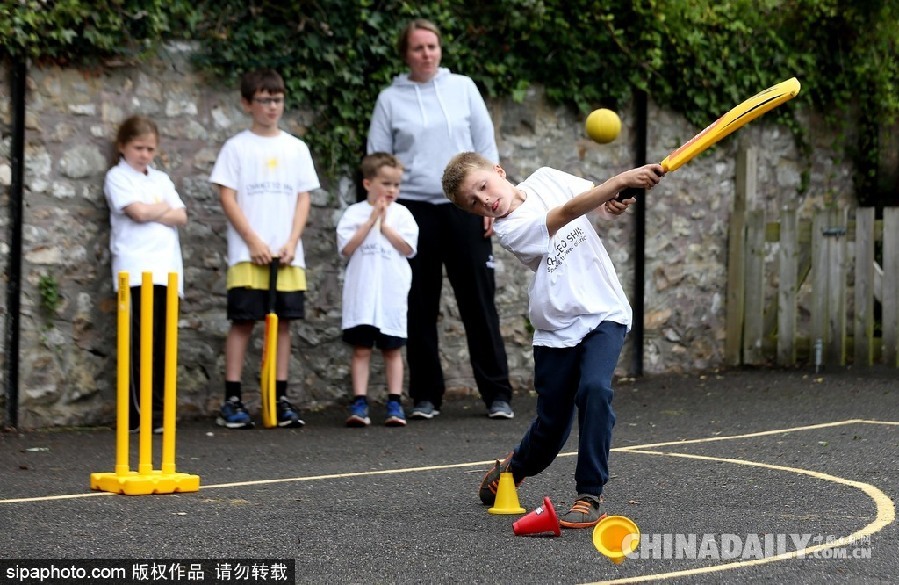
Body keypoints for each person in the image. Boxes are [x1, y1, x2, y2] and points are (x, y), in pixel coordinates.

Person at [441, 151, 665, 528]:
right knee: (551, 429)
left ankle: (589, 495)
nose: (484, 200)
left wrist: (613, 199)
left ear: (499, 171)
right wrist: (619, 180)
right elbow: (566, 213)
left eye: (483, 186)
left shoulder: (547, 177)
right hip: (556, 327)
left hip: (604, 311)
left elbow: (595, 204)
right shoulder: (510, 229)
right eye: (473, 203)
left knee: (595, 390)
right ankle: (514, 468)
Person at [366, 18, 514, 421]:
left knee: (478, 303)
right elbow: (379, 158)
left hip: (466, 208)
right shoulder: (389, 99)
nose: (427, 54)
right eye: (418, 48)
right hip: (413, 211)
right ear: (406, 54)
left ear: (440, 49)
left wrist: (491, 203)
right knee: (419, 304)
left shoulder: (463, 88)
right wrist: (384, 211)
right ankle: (426, 396)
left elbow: (486, 148)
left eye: (432, 46)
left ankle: (497, 394)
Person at [209, 68, 320, 430]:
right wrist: (253, 240)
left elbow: (303, 198)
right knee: (243, 322)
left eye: (278, 99)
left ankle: (278, 396)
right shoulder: (236, 147)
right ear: (247, 104)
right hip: (248, 253)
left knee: (283, 324)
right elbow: (227, 197)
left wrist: (291, 242)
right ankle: (233, 399)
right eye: (264, 99)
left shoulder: (296, 148)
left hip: (287, 254)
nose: (272, 106)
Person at [104, 115, 188, 434]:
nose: (145, 155)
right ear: (123, 146)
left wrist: (155, 211)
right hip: (135, 270)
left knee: (163, 344)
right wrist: (161, 209)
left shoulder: (160, 179)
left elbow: (181, 216)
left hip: (167, 270)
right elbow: (136, 212)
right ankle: (137, 413)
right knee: (137, 343)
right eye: (138, 148)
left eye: (150, 149)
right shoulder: (117, 177)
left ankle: (161, 411)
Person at [336, 153, 419, 427]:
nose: (392, 190)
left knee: (392, 350)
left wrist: (385, 227)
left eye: (397, 185)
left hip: (390, 295)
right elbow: (346, 248)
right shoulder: (354, 213)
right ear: (368, 183)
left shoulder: (403, 215)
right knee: (361, 349)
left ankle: (394, 402)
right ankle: (360, 402)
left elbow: (408, 248)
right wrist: (371, 220)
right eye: (386, 183)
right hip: (362, 294)